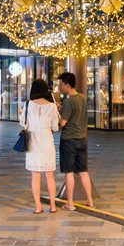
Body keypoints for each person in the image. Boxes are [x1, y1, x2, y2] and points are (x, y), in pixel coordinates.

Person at [57, 72, 94, 210]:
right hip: (82, 139)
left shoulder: (68, 101)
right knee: (83, 171)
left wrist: (57, 114)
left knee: (69, 172)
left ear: (67, 85)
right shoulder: (83, 98)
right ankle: (90, 200)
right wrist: (63, 110)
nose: (59, 87)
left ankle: (70, 203)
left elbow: (63, 123)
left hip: (68, 140)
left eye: (61, 84)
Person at [21, 78, 60, 214]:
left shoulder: (27, 105)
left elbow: (23, 124)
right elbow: (55, 127)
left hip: (33, 143)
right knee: (50, 175)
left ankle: (38, 207)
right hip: (47, 143)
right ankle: (53, 206)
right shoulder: (52, 106)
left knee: (35, 175)